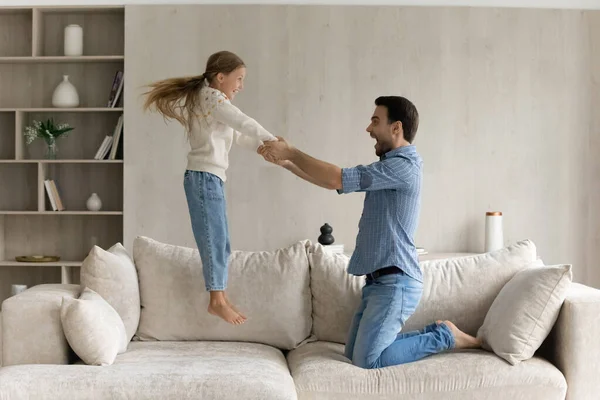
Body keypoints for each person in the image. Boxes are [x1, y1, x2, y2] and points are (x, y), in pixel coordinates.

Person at [258, 96, 481, 368]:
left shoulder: (403, 167)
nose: (369, 129)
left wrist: (292, 152)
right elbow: (334, 183)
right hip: (379, 283)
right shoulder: (391, 166)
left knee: (368, 361)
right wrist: (288, 164)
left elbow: (338, 177)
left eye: (375, 121)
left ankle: (445, 337)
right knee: (354, 355)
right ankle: (442, 333)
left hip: (395, 283)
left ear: (396, 127)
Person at [143, 50, 277, 325]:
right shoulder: (214, 98)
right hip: (204, 178)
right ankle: (216, 300)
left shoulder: (209, 99)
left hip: (210, 178)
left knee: (222, 242)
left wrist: (262, 148)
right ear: (220, 77)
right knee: (214, 240)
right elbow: (242, 121)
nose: (240, 86)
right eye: (238, 79)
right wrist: (270, 138)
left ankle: (221, 295)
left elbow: (237, 134)